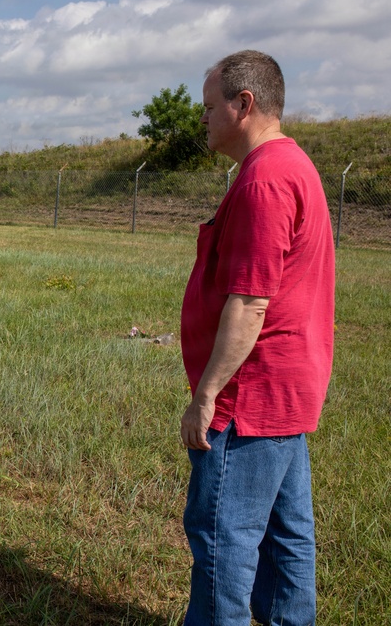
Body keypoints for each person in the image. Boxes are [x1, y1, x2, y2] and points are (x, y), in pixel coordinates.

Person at [179, 50, 335, 625]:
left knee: (223, 539)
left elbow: (249, 302)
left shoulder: (265, 179)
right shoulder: (291, 164)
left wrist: (206, 397)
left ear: (242, 105)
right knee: (285, 537)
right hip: (286, 392)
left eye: (208, 107)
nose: (203, 118)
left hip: (252, 395)